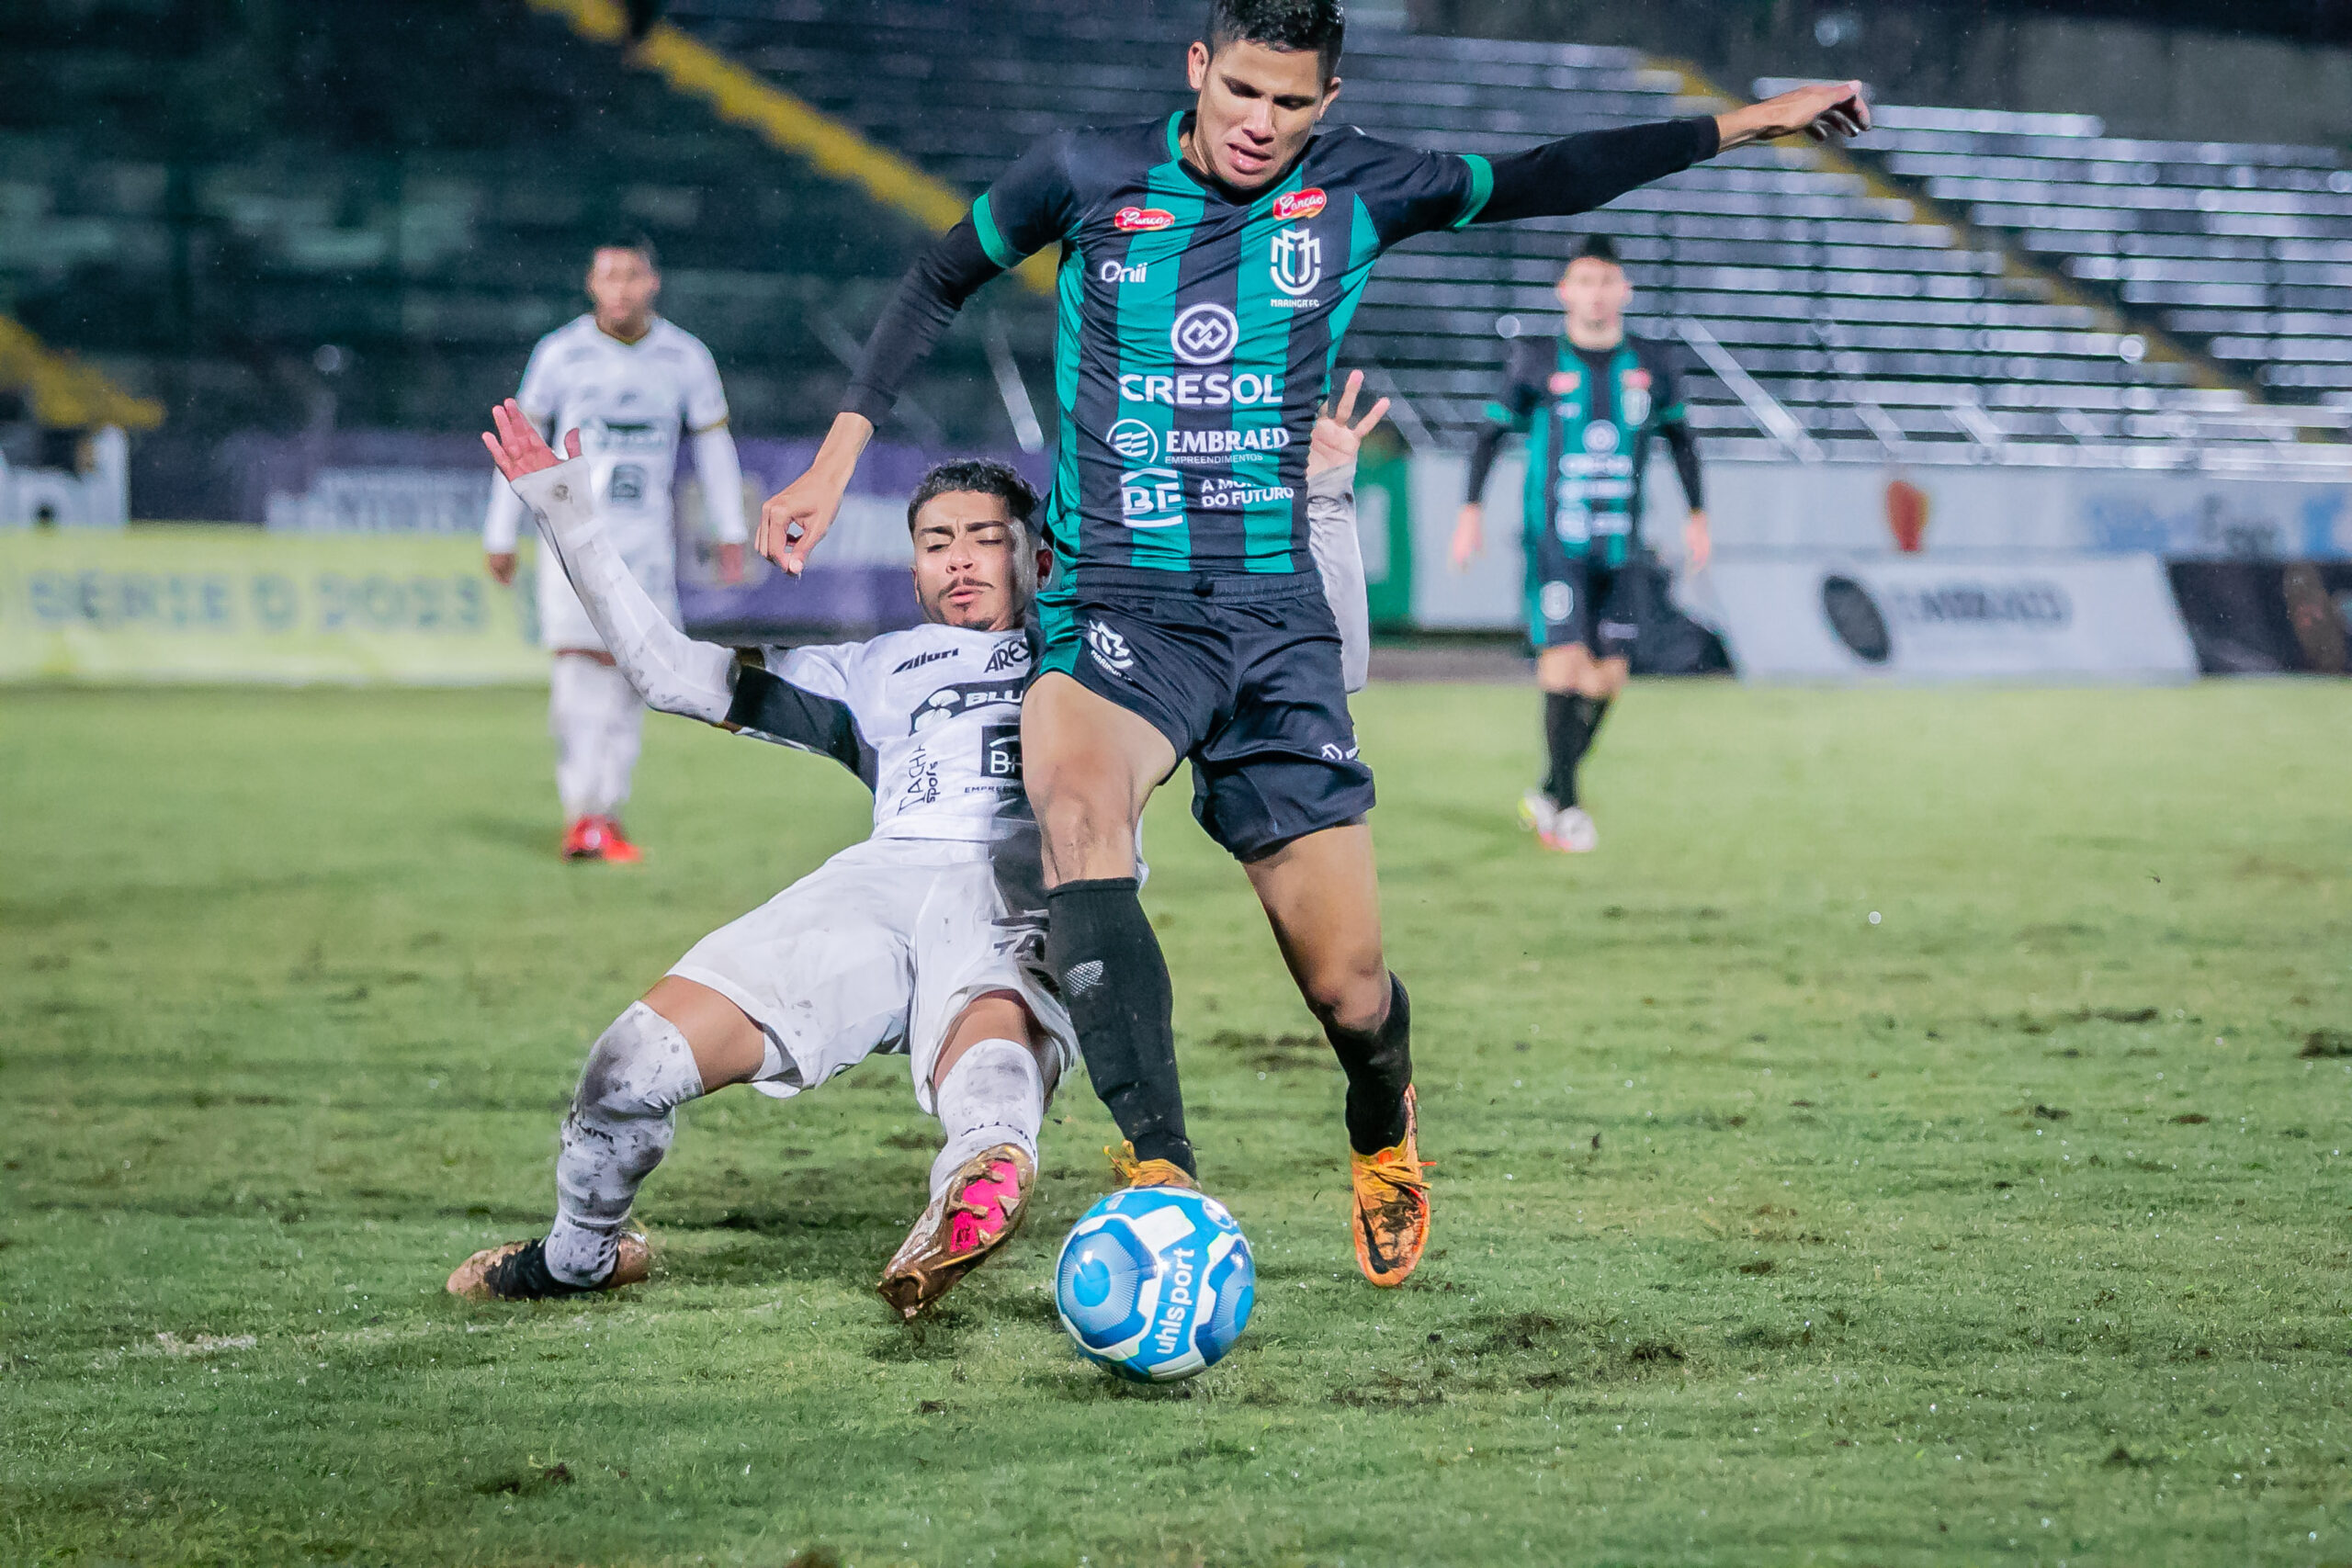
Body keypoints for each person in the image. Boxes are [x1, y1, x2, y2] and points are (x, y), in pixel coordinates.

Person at [752, 0, 1869, 1289]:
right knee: (1076, 803)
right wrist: (839, 455)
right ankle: (1161, 1160)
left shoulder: (1363, 186)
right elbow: (938, 274)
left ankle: (1381, 1117)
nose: (1258, 124)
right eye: (1239, 92)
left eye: (1289, 104)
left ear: (1327, 105)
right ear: (1197, 71)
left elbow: (1554, 175)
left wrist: (1743, 125)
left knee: (1349, 986)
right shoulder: (1084, 171)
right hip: (1116, 602)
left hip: (1276, 623)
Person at [447, 393, 1380, 1314]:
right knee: (626, 1069)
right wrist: (568, 516)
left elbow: (1318, 668)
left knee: (994, 1105)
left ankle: (972, 1192)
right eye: (937, 544)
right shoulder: (872, 670)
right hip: (875, 889)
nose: (959, 560)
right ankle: (581, 1257)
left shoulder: (1117, 659)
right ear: (914, 567)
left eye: (983, 538)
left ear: (1040, 554)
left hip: (1031, 897)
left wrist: (1327, 501)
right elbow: (666, 673)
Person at [481, 238, 749, 864]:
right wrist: (501, 533)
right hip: (570, 539)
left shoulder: (685, 356)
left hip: (644, 543)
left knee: (639, 676)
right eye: (609, 276)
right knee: (576, 672)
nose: (621, 288)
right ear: (590, 283)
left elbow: (713, 445)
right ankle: (583, 813)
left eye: (632, 275)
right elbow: (521, 443)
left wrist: (729, 527)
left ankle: (608, 812)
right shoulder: (561, 353)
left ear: (652, 281)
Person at [1450, 232, 1709, 853]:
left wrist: (1698, 514)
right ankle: (1566, 808)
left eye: (1607, 281)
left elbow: (1681, 440)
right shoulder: (1538, 359)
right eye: (1585, 282)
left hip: (1621, 544)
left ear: (1624, 289)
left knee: (1609, 676)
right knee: (1563, 661)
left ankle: (1549, 785)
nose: (1596, 293)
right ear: (1565, 291)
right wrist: (1470, 510)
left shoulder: (1651, 362)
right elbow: (1489, 436)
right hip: (1554, 543)